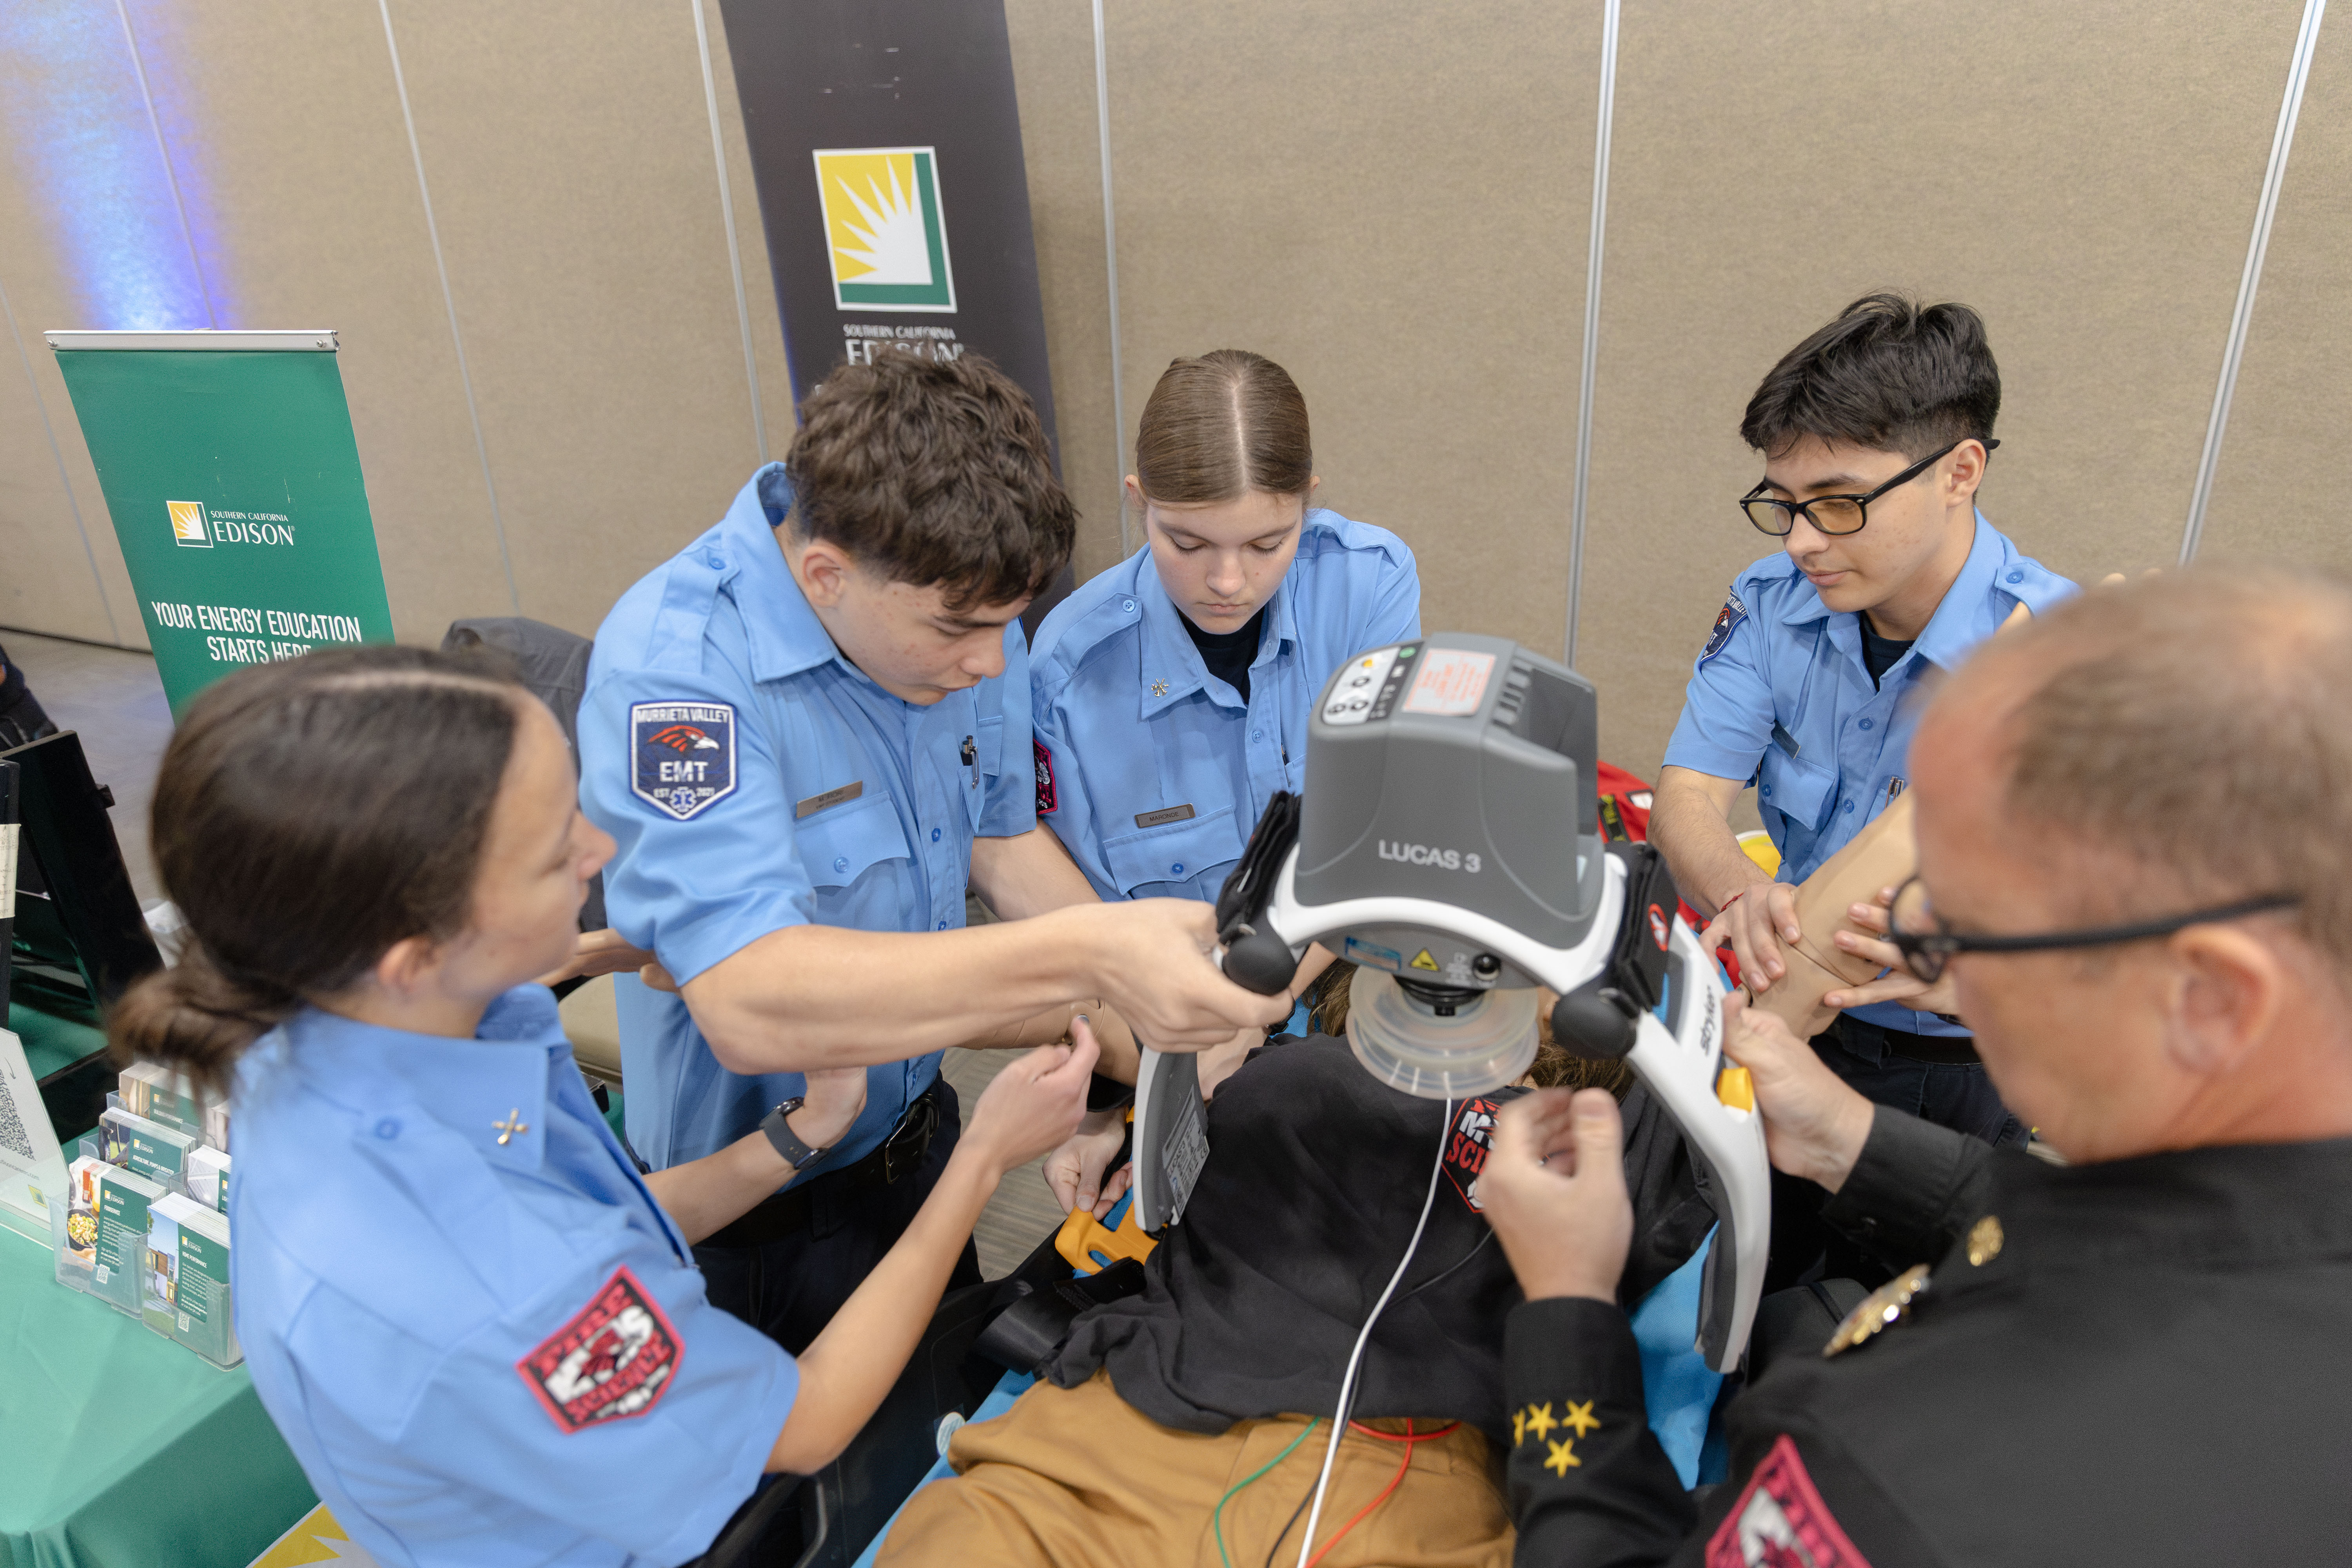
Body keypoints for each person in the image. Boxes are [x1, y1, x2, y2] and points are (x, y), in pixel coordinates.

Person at [104, 645, 1096, 1563]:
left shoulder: (330, 1027)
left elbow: (602, 1217)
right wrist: (982, 1159)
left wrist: (797, 1135)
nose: (598, 845)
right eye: (550, 852)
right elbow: (805, 1420)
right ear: (415, 953)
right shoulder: (502, 1279)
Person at [1482, 568, 2352, 1565]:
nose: (1920, 957)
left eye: (1966, 930)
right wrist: (1850, 1140)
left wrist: (1568, 1310)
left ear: (2211, 998)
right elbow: (2160, 1242)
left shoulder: (1886, 1470)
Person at [573, 352, 1290, 1361]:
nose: (990, 663)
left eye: (1007, 625)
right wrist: (1095, 961)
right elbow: (749, 998)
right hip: (750, 1210)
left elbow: (1000, 838)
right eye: (958, 630)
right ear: (826, 574)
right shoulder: (679, 678)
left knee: (938, 1431)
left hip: (918, 1148)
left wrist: (1156, 1023)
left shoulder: (966, 606)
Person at [876, 963, 1716, 1568]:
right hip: (1133, 1419)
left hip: (1403, 1481)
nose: (1464, 972)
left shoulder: (1591, 1145)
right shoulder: (1280, 1059)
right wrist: (1122, 1113)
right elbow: (1144, 1031)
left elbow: (1744, 1043)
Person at [1648, 292, 2074, 1149]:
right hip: (1791, 1017)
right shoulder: (1772, 602)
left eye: (1839, 502)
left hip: (1966, 1062)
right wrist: (1741, 891)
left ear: (1960, 472)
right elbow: (1686, 795)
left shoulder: (2062, 659)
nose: (1801, 541)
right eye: (1783, 502)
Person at [1029, 350, 1419, 1208]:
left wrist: (1258, 1013)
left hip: (1350, 1002)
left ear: (1308, 499)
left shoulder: (1367, 582)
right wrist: (1106, 1104)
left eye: (1268, 543)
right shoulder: (1068, 674)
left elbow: (1376, 826)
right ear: (1138, 500)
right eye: (1187, 541)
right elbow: (1084, 940)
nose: (1228, 581)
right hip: (1173, 1049)